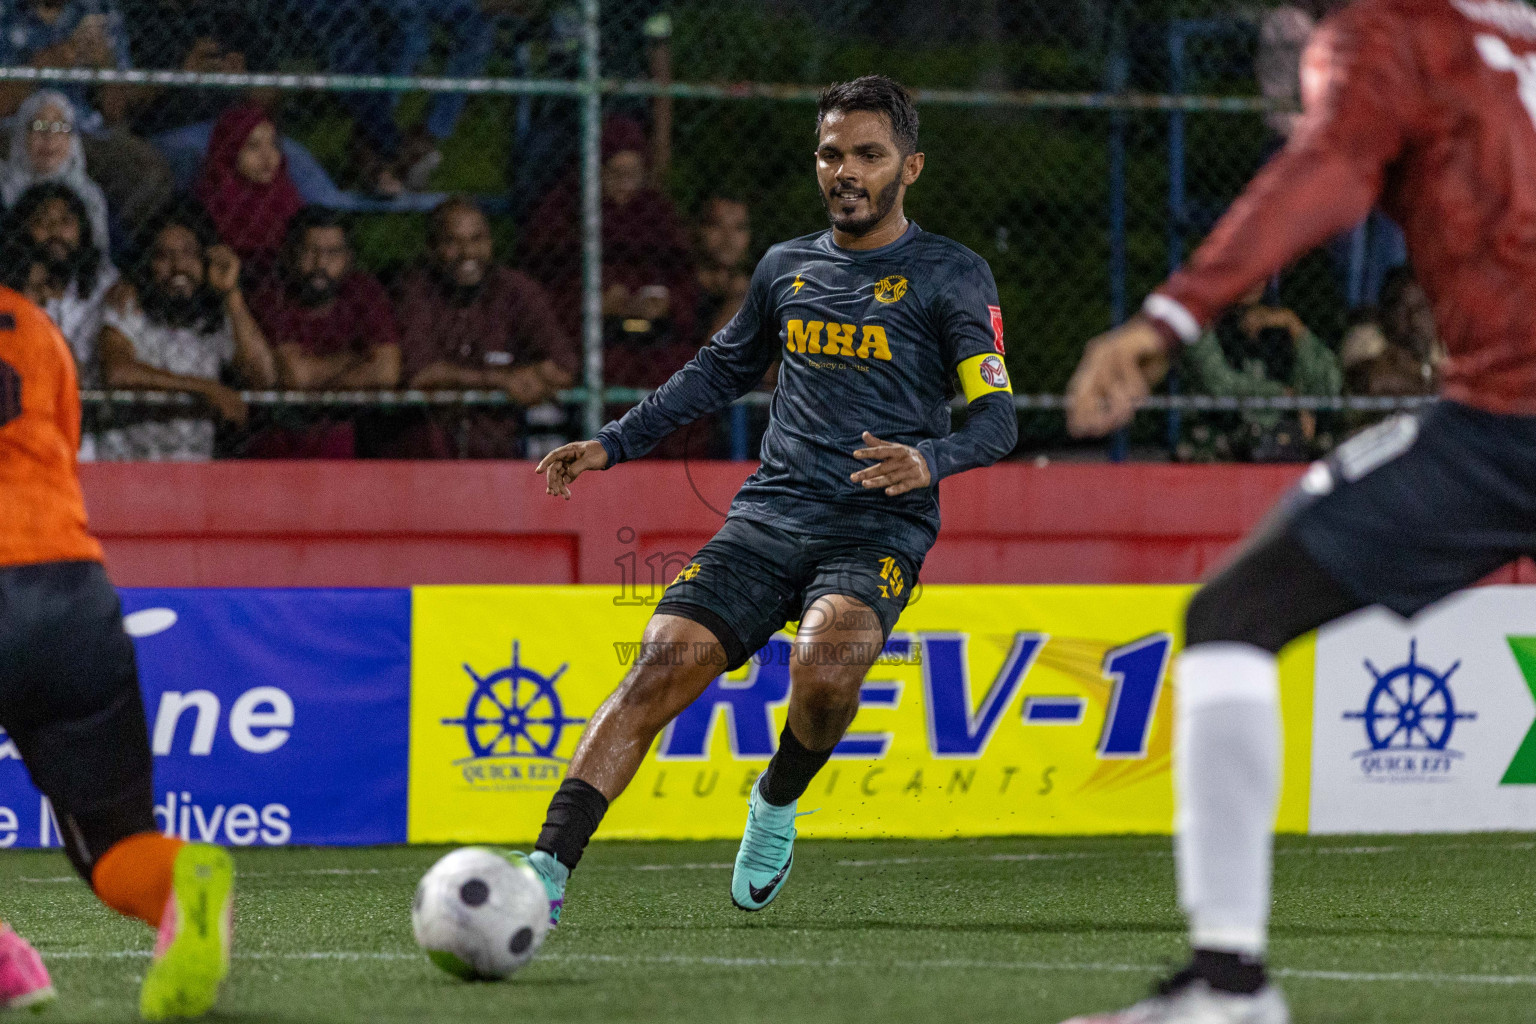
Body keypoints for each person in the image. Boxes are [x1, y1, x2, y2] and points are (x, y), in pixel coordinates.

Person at [1063, 3, 1536, 1021]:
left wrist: (1168, 318)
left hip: (1511, 422)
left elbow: (1324, 169)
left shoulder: (1393, 33)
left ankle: (1229, 983)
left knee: (1236, 616)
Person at [516, 76, 1017, 924]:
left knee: (827, 671)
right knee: (656, 666)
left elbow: (997, 420)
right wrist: (613, 443)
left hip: (877, 522)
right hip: (770, 516)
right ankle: (543, 872)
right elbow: (717, 371)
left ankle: (776, 802)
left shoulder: (952, 276)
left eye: (868, 154)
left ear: (911, 167)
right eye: (831, 154)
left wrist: (930, 460)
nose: (846, 171)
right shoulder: (785, 268)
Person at [0, 281, 235, 1017]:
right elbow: (59, 453)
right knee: (115, 845)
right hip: (68, 589)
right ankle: (176, 880)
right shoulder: (33, 323)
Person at [390, 196, 573, 458]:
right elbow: (420, 373)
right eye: (452, 242)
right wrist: (501, 379)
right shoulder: (415, 290)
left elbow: (563, 367)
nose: (467, 253)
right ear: (432, 247)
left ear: (490, 242)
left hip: (500, 450)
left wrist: (533, 376)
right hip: (428, 454)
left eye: (477, 240)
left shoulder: (516, 290)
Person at [96, 207, 275, 460]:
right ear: (149, 263)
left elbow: (263, 375)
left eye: (189, 254)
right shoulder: (129, 305)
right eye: (164, 256)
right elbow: (118, 372)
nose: (178, 266)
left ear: (206, 261)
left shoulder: (214, 317)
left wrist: (231, 292)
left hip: (194, 466)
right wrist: (206, 389)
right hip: (129, 465)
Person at [248, 207, 400, 457]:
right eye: (310, 251)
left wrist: (313, 376)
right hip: (276, 442)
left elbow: (386, 371)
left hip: (343, 437)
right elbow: (294, 377)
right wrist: (356, 359)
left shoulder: (363, 290)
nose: (320, 264)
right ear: (290, 255)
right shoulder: (272, 294)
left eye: (332, 253)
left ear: (348, 258)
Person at [1180, 282, 1341, 462]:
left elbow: (1327, 385)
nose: (1252, 280)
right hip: (1223, 433)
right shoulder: (1206, 322)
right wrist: (1283, 394)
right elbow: (1220, 384)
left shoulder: (1282, 324)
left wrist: (1295, 327)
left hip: (1283, 435)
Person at [5, 180, 118, 384]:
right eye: (42, 221)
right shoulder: (9, 290)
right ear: (24, 230)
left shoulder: (106, 284)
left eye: (65, 221)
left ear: (81, 229)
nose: (55, 230)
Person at [193, 104, 305, 290]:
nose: (268, 156)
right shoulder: (210, 204)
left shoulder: (288, 197)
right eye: (253, 146)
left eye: (273, 144)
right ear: (229, 150)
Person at [1, 90, 111, 252]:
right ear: (21, 134)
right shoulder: (3, 185)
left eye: (60, 127)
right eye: (39, 126)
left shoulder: (89, 194)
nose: (49, 137)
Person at [694, 195, 753, 339]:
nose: (728, 238)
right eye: (717, 225)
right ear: (700, 230)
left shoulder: (754, 288)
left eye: (739, 228)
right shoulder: (682, 287)